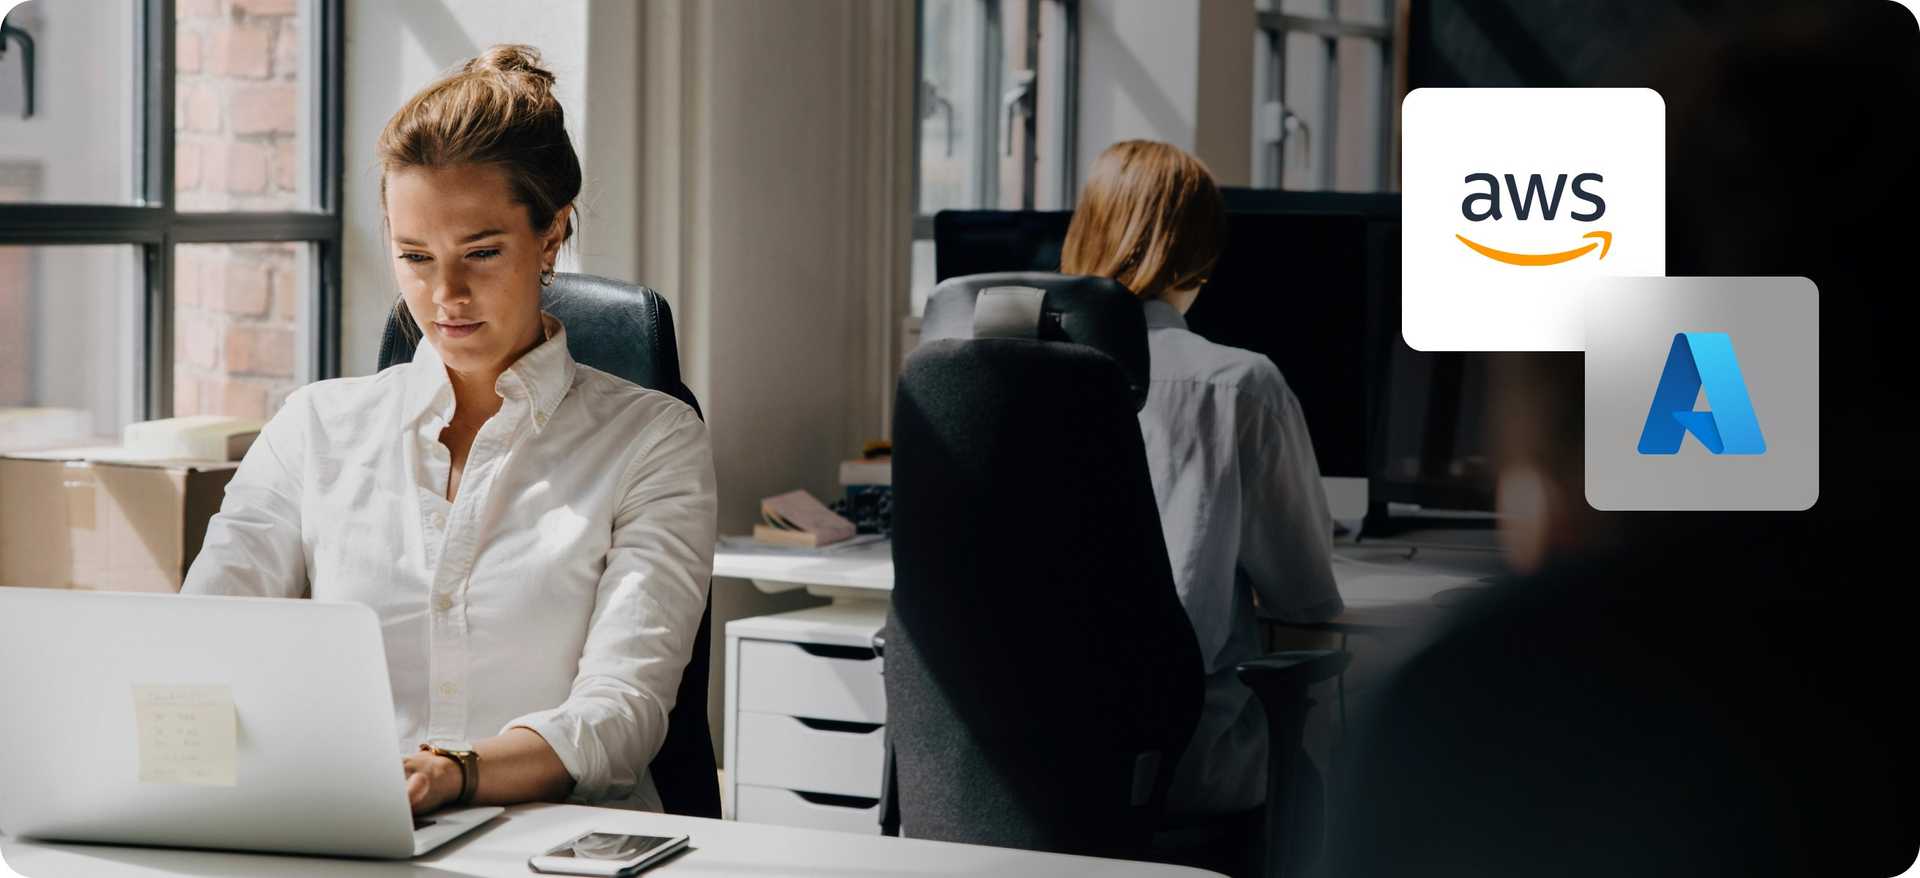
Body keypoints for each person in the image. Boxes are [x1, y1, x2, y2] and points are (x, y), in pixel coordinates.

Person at [182, 45, 717, 816]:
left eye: (481, 252)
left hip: (557, 847)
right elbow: (200, 642)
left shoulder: (653, 441)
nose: (445, 295)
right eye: (414, 256)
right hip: (351, 829)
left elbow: (621, 715)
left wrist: (454, 776)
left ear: (552, 235)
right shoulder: (315, 427)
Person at [1059, 140, 1343, 820]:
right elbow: (1304, 598)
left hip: (1004, 765)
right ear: (1200, 254)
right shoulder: (1237, 386)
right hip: (1178, 769)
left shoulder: (998, 372)